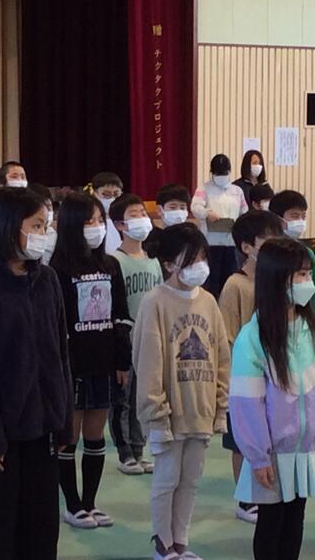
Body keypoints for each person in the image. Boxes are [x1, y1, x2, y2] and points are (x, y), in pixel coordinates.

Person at [0, 187, 73, 560]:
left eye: (47, 225)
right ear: (10, 227)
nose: (44, 233)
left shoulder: (48, 280)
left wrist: (63, 422)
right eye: (36, 226)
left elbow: (60, 356)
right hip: (0, 436)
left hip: (43, 430)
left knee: (39, 532)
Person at [230, 238, 315, 560]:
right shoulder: (253, 338)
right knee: (271, 522)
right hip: (272, 452)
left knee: (296, 519)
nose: (307, 282)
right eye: (299, 275)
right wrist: (258, 456)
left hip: (307, 449)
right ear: (276, 279)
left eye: (308, 273)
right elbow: (246, 404)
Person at [133, 223, 230, 560]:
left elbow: (221, 356)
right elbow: (148, 361)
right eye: (190, 260)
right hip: (168, 414)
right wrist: (156, 414)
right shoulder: (155, 302)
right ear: (169, 263)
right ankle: (163, 543)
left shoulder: (209, 301)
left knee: (190, 481)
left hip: (200, 411)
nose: (199, 266)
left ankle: (181, 541)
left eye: (202, 258)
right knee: (166, 480)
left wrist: (220, 406)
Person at [49, 192, 131, 529]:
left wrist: (122, 361)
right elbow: (56, 322)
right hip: (72, 366)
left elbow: (121, 315)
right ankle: (72, 505)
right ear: (71, 225)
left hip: (104, 362)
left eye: (99, 220)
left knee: (96, 436)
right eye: (88, 221)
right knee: (69, 436)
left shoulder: (110, 265)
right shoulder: (57, 269)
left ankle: (90, 503)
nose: (96, 227)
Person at [218, 210, 283, 524]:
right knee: (242, 440)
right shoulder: (236, 285)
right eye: (267, 239)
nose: (275, 244)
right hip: (245, 375)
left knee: (268, 435)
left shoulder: (277, 282)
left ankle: (266, 491)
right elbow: (227, 336)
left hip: (275, 373)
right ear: (247, 247)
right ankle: (245, 499)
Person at [107, 193, 163, 476]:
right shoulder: (114, 261)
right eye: (134, 214)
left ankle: (140, 450)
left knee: (143, 397)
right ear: (120, 225)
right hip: (125, 340)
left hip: (149, 340)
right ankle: (125, 452)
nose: (142, 218)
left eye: (143, 213)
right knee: (122, 399)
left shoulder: (153, 262)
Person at [191, 154, 248, 298]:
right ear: (212, 173)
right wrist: (207, 213)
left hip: (231, 241)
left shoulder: (237, 191)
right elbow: (195, 207)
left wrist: (238, 222)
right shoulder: (204, 189)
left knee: (229, 278)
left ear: (229, 171)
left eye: (224, 173)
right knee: (212, 280)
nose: (222, 176)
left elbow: (244, 211)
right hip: (211, 241)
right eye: (218, 173)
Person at [268, 190, 315, 297]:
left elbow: (312, 292)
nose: (300, 221)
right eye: (295, 216)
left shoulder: (307, 253)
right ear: (277, 219)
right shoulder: (267, 253)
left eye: (303, 217)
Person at [144, 183, 192, 260]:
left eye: (182, 208)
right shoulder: (152, 238)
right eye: (173, 207)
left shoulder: (190, 236)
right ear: (159, 210)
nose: (178, 211)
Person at [90, 172, 124, 254]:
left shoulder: (125, 217)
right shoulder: (90, 219)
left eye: (116, 194)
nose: (112, 198)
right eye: (106, 194)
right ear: (95, 194)